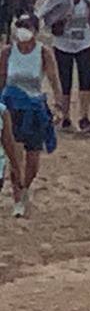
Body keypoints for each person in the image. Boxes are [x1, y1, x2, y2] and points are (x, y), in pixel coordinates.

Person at [0, 13, 63, 218]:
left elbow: (53, 79)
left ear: (35, 31)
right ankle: (17, 199)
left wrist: (59, 105)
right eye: (20, 27)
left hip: (34, 108)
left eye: (26, 27)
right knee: (15, 157)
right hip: (12, 107)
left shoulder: (43, 52)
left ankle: (25, 187)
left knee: (33, 161)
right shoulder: (8, 53)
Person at [40, 0, 90, 133]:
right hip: (63, 44)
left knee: (85, 80)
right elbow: (44, 14)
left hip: (84, 42)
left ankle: (84, 117)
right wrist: (61, 17)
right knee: (64, 81)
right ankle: (65, 117)